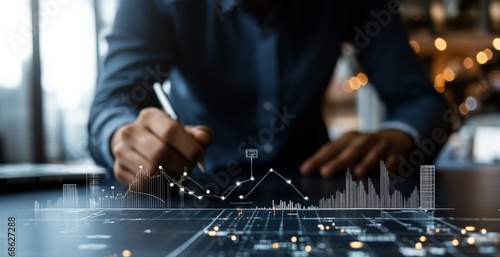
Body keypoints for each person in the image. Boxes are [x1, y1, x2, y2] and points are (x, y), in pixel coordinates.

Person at [89, 0, 450, 185]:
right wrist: (122, 138)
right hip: (198, 184)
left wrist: (400, 135)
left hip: (319, 181)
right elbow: (113, 102)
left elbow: (421, 100)